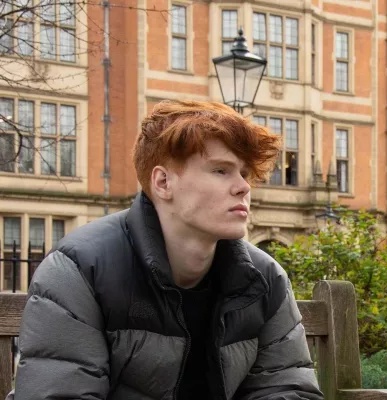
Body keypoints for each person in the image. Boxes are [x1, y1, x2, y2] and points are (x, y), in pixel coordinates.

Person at [7, 100, 324, 400]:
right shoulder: (80, 270)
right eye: (221, 170)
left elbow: (287, 386)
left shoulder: (264, 278)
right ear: (162, 183)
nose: (244, 186)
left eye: (243, 172)